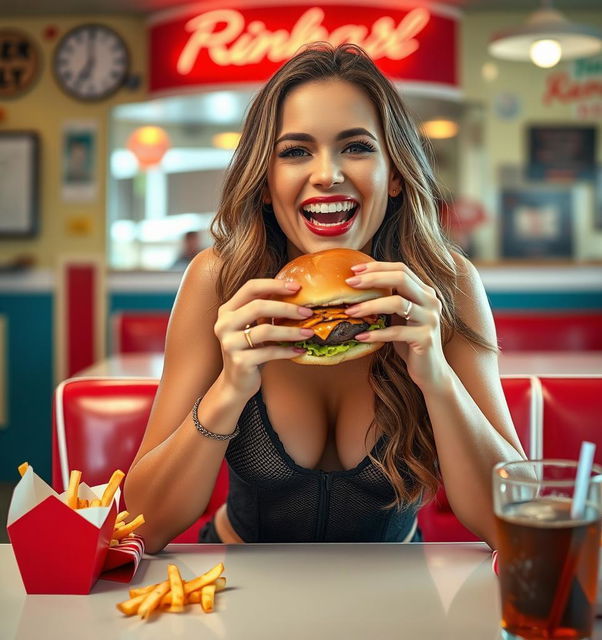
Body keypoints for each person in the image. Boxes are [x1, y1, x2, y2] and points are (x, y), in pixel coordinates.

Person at [123, 43, 526, 553]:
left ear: (396, 174)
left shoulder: (446, 283)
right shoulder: (220, 279)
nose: (327, 174)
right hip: (238, 587)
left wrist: (437, 379)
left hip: (396, 595)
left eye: (356, 147)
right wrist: (229, 388)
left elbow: (514, 523)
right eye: (295, 151)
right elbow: (142, 524)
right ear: (266, 183)